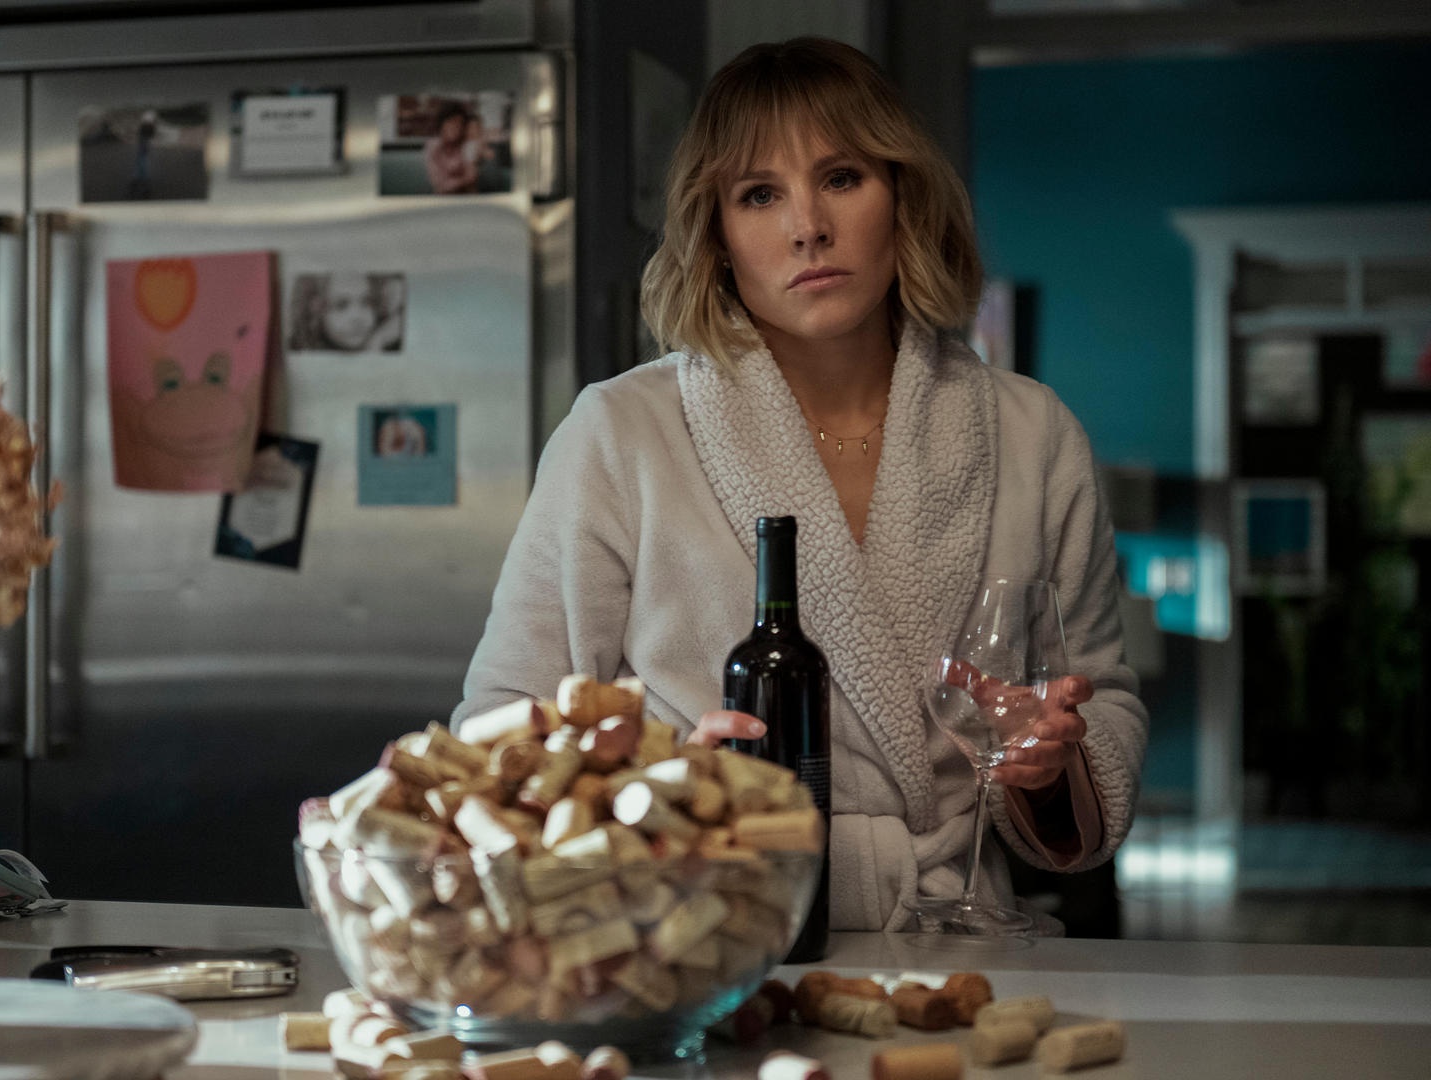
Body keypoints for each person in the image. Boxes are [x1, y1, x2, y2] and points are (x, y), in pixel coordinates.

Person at [452, 38, 1147, 933]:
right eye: (759, 194)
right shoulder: (621, 433)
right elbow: (501, 733)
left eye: (843, 177)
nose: (807, 225)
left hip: (954, 938)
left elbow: (1100, 698)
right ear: (718, 234)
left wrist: (1051, 765)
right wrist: (659, 789)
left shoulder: (1032, 434)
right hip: (702, 934)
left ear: (903, 195)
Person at [288, 273, 404, 352]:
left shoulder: (387, 340)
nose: (358, 317)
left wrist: (378, 341)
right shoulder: (297, 349)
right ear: (312, 313)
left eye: (367, 302)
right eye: (340, 305)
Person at [423, 100, 480, 195]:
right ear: (442, 124)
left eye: (460, 124)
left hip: (467, 200)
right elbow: (440, 186)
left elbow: (473, 179)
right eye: (451, 122)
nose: (456, 127)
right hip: (443, 201)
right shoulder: (432, 147)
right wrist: (464, 180)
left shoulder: (465, 145)